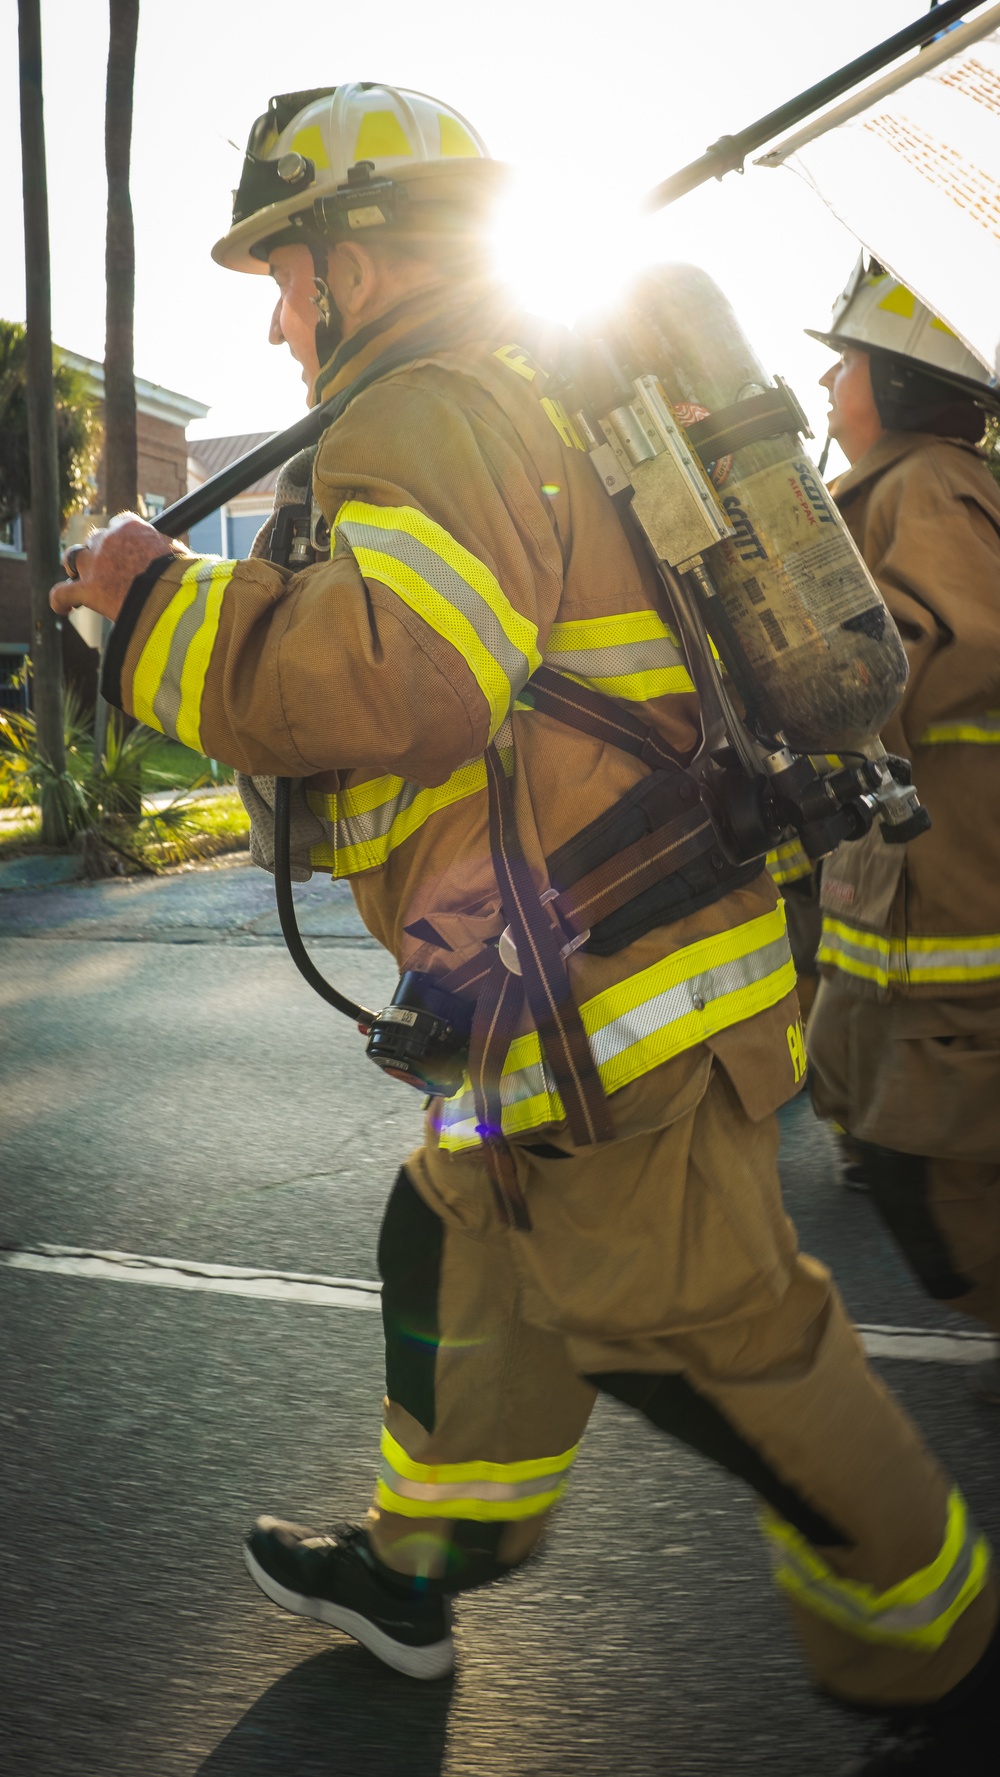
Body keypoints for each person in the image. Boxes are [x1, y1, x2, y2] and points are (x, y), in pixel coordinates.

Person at [53, 92, 997, 1773]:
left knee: (706, 1336)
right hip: (562, 990)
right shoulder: (517, 397)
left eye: (281, 272)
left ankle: (946, 1652)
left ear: (354, 256)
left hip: (605, 1001)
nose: (274, 315)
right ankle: (424, 1571)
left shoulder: (427, 408)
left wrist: (150, 612)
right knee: (456, 1240)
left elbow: (402, 672)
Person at [805, 260, 1000, 1379]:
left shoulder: (926, 484)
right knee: (884, 1134)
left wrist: (815, 672)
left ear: (896, 378)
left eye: (847, 358)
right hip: (904, 909)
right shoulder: (893, 486)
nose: (831, 376)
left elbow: (941, 645)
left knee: (944, 1185)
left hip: (956, 912)